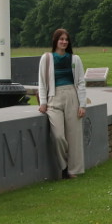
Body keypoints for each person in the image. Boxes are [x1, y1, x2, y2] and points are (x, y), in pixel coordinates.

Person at [38, 28, 90, 179]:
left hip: (72, 97)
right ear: (55, 41)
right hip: (54, 99)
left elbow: (81, 82)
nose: (64, 42)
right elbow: (42, 82)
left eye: (66, 39)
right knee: (58, 136)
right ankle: (63, 165)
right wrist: (43, 102)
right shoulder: (47, 58)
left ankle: (73, 170)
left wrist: (82, 105)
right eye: (61, 39)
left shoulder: (75, 59)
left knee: (74, 136)